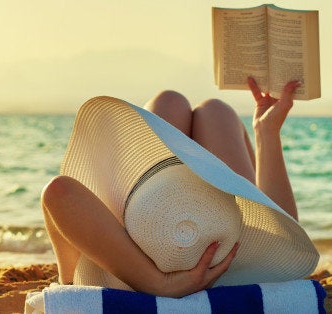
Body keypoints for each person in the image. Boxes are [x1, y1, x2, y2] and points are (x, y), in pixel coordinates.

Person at [41, 77, 304, 298]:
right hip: (228, 261)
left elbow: (59, 192)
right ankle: (69, 276)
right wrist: (266, 131)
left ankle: (68, 277)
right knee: (215, 110)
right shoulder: (239, 268)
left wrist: (158, 284)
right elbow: (288, 236)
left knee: (171, 100)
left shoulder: (121, 262)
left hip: (137, 263)